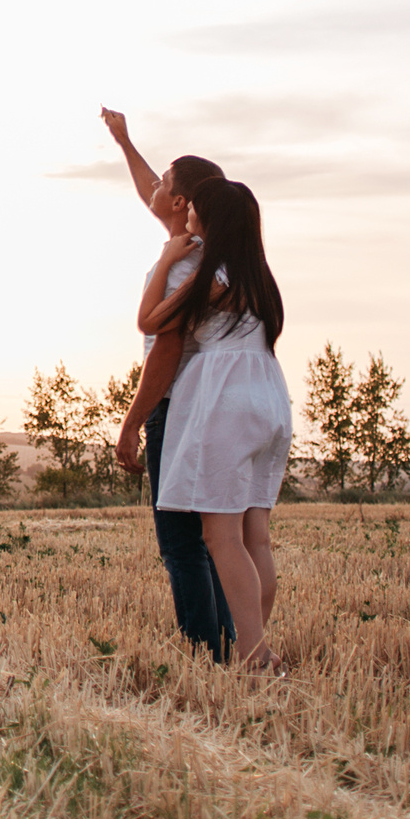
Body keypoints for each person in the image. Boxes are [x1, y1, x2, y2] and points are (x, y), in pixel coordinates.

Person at [141, 176, 293, 672]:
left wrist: (166, 259)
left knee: (219, 537)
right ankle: (258, 644)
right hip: (268, 395)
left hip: (225, 399)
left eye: (198, 209)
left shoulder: (209, 277)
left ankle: (252, 654)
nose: (190, 214)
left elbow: (151, 322)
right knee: (256, 537)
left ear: (213, 220)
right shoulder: (258, 279)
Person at [99, 108, 234, 662]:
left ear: (181, 204)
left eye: (165, 185)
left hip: (176, 406)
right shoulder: (195, 249)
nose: (154, 187)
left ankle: (210, 657)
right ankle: (228, 648)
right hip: (206, 405)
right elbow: (147, 188)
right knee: (207, 541)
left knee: (181, 544)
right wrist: (125, 141)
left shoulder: (183, 265)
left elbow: (167, 347)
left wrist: (132, 422)